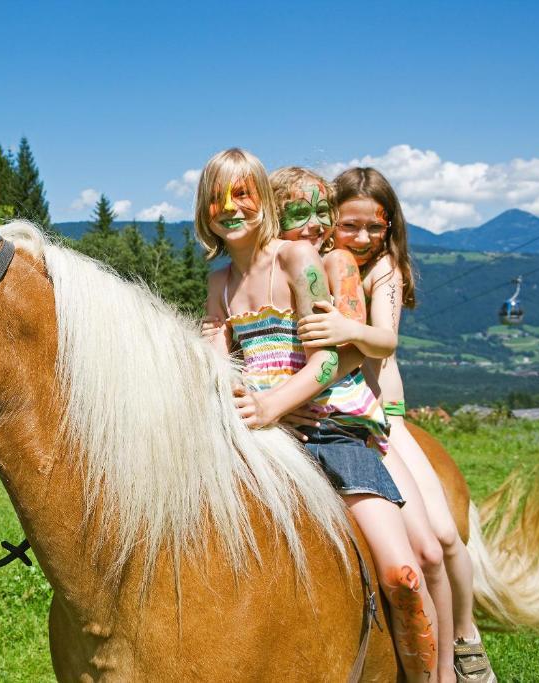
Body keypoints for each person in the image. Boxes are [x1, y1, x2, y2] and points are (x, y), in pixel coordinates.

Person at [198, 149, 438, 682]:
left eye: (243, 193)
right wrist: (230, 384)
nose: (230, 207)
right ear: (203, 208)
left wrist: (273, 405)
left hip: (326, 428)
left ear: (264, 199)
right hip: (258, 430)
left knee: (402, 573)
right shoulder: (219, 282)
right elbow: (222, 362)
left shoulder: (295, 260)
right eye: (218, 196)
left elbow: (327, 360)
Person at [295, 167, 495, 683]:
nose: (361, 238)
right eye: (349, 225)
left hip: (385, 419)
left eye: (374, 227)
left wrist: (346, 328)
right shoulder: (311, 262)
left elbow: (385, 340)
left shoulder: (385, 269)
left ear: (389, 228)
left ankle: (465, 641)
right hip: (346, 412)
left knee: (441, 541)